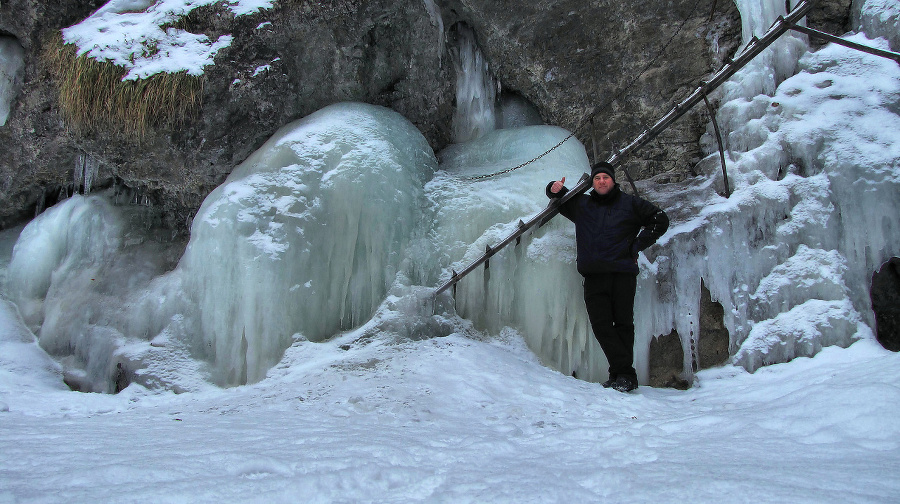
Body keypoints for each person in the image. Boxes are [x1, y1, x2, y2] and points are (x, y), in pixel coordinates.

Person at [546, 162, 669, 393]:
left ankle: (620, 375)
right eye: (597, 178)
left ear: (613, 180)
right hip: (594, 276)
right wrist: (552, 188)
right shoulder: (583, 205)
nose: (602, 181)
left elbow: (660, 220)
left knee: (623, 324)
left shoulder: (630, 204)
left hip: (622, 274)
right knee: (602, 325)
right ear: (592, 183)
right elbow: (561, 198)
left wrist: (637, 246)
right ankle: (624, 373)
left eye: (605, 177)